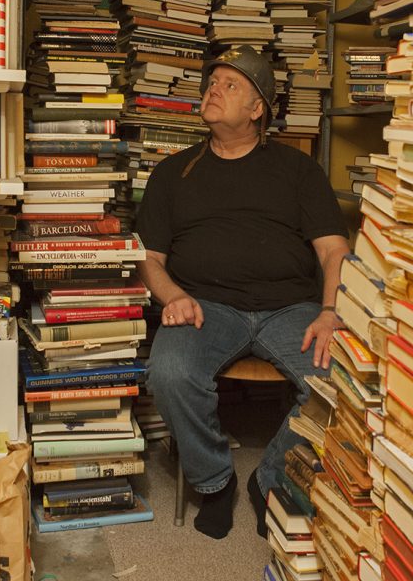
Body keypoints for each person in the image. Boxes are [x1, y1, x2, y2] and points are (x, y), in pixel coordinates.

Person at [135, 45, 349, 540]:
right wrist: (173, 297)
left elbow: (334, 251)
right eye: (212, 81)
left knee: (341, 380)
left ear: (258, 110)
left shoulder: (298, 171)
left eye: (230, 84)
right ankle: (215, 482)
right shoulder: (173, 172)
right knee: (167, 371)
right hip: (207, 307)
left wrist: (330, 311)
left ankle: (268, 479)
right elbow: (149, 258)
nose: (214, 89)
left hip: (291, 307)